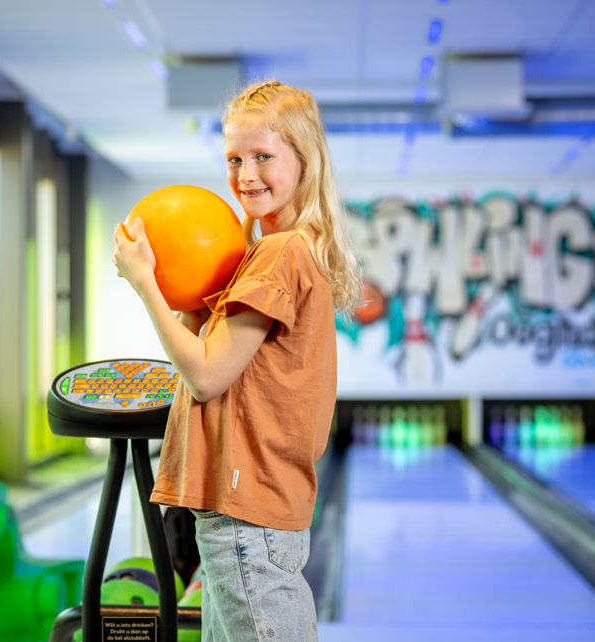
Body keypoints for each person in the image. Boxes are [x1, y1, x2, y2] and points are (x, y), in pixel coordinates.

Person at [112, 81, 360, 642]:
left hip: (246, 514)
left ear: (305, 158)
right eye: (234, 158)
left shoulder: (278, 254)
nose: (245, 175)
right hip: (256, 510)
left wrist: (145, 285)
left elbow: (204, 375)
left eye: (263, 157)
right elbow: (216, 351)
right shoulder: (294, 249)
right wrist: (197, 297)